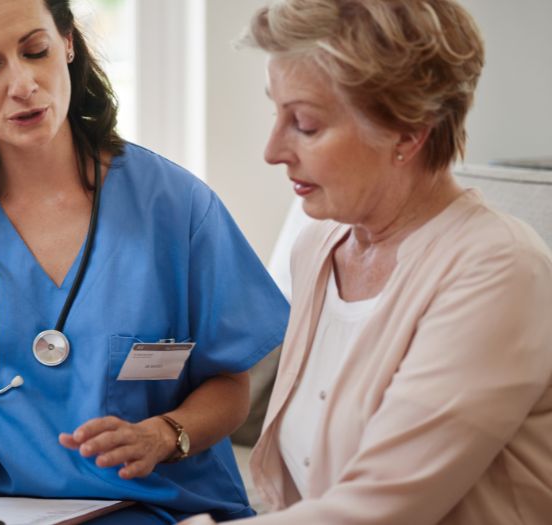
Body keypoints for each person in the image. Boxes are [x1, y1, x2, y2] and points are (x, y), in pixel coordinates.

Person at [0, 0, 289, 523]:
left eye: (36, 51)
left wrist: (164, 435)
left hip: (155, 507)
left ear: (69, 43)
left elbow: (232, 385)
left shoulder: (176, 206)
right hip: (2, 513)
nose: (23, 84)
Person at [182, 0, 552, 524]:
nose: (272, 150)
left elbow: (384, 507)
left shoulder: (501, 271)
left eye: (305, 125)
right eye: (276, 112)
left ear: (408, 131)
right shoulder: (319, 242)